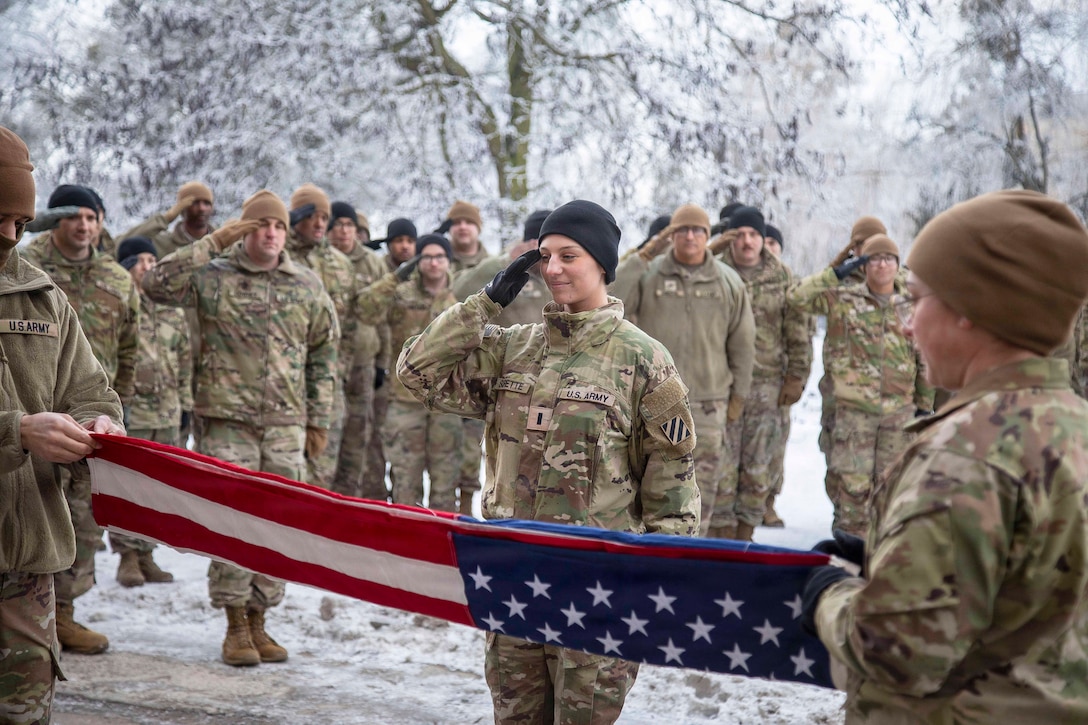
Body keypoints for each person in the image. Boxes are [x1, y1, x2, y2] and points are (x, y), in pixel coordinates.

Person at [398, 200, 700, 723]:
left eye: (568, 255)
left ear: (602, 263)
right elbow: (416, 370)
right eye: (544, 256)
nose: (552, 268)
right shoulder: (513, 348)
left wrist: (656, 586)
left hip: (598, 586)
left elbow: (671, 488)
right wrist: (486, 302)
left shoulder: (643, 359)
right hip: (515, 577)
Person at [802, 189, 1088, 722]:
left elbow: (896, 651)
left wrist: (830, 594)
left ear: (969, 312)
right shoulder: (1073, 423)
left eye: (917, 299)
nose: (907, 324)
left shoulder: (966, 455)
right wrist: (893, 556)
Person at [142, 189, 339, 667]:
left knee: (277, 523)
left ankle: (260, 618)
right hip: (226, 421)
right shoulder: (212, 277)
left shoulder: (306, 285)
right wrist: (214, 242)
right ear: (245, 231)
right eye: (260, 226)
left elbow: (323, 357)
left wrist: (318, 419)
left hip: (285, 426)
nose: (271, 233)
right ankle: (234, 622)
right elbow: (156, 286)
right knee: (233, 521)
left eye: (277, 226)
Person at [0, 126, 125, 721]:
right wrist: (16, 431)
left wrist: (98, 420)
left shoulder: (41, 295)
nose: (8, 235)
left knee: (25, 710)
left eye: (20, 224)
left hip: (26, 555)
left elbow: (89, 387)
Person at [22, 182, 139, 655]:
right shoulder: (27, 268)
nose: (85, 225)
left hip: (92, 420)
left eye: (93, 217)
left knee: (85, 519)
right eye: (75, 216)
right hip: (32, 417)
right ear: (55, 220)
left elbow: (130, 348)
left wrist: (115, 409)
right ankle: (28, 612)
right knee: (34, 513)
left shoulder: (117, 278)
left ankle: (64, 612)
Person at [616, 203, 755, 538]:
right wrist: (643, 256)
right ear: (670, 235)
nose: (690, 236)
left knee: (699, 491)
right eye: (682, 230)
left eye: (697, 230)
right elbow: (610, 296)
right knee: (642, 485)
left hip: (707, 405)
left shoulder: (727, 281)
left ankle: (692, 563)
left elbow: (743, 343)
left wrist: (738, 396)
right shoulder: (649, 275)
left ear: (708, 236)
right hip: (649, 402)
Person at [789, 234, 934, 536]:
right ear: (863, 265)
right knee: (852, 495)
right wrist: (836, 270)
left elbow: (924, 358)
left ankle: (882, 566)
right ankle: (849, 563)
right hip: (854, 414)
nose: (882, 264)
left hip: (899, 416)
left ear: (898, 264)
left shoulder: (911, 303)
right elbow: (797, 297)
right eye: (874, 259)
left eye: (889, 258)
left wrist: (924, 406)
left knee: (891, 491)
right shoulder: (844, 299)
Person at [450, 209, 552, 515]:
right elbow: (459, 288)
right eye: (537, 244)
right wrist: (507, 260)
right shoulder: (510, 271)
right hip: (508, 384)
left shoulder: (557, 275)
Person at [718, 207, 811, 539]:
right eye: (740, 234)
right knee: (721, 467)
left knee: (758, 468)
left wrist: (796, 376)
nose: (747, 241)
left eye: (754, 235)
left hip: (766, 386)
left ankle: (744, 536)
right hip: (723, 383)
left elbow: (798, 331)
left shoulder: (782, 277)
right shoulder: (717, 271)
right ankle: (719, 540)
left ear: (762, 239)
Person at [356, 234, 463, 511]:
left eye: (440, 256)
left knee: (445, 479)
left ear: (448, 260)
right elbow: (365, 310)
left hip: (447, 403)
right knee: (405, 477)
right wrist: (393, 279)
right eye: (426, 256)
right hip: (405, 402)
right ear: (417, 260)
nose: (434, 263)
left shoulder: (461, 295)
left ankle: (442, 544)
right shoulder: (401, 295)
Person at [109, 236, 191, 587]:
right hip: (133, 411)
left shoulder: (172, 311)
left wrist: (185, 403)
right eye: (141, 260)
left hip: (167, 413)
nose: (149, 266)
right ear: (126, 266)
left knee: (158, 489)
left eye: (153, 260)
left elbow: (185, 361)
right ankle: (127, 555)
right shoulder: (119, 307)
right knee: (128, 487)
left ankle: (148, 553)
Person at [287, 184, 358, 490]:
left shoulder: (341, 265)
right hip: (284, 384)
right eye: (311, 215)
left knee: (322, 475)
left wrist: (341, 373)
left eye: (324, 217)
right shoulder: (279, 255)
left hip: (328, 386)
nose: (319, 223)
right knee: (285, 474)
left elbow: (350, 327)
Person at [326, 201, 390, 500]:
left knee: (359, 432)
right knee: (328, 432)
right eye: (337, 224)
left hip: (363, 362)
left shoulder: (372, 263)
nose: (344, 231)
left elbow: (382, 318)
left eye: (349, 225)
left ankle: (349, 496)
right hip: (329, 361)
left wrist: (382, 362)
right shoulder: (321, 261)